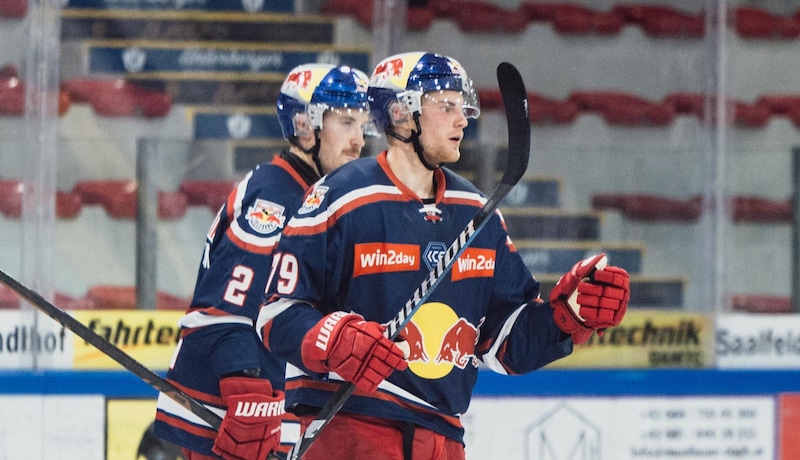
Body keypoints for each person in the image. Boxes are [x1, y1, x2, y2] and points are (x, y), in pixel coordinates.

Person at [255, 51, 630, 460]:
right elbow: (277, 316)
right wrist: (335, 338)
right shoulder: (340, 196)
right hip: (351, 428)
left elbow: (503, 346)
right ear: (401, 114)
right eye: (446, 105)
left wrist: (568, 317)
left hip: (443, 438)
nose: (462, 119)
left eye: (462, 106)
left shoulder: (476, 209)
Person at [153, 63, 377, 460]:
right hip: (232, 410)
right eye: (346, 122)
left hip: (276, 404)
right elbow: (226, 300)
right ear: (304, 125)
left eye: (363, 126)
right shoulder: (276, 196)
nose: (359, 140)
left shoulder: (317, 196)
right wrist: (244, 380)